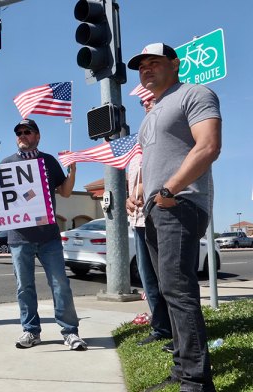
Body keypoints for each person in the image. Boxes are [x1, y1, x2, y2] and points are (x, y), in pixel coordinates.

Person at [127, 43, 221, 391]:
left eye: (154, 63)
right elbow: (155, 159)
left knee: (179, 291)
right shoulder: (152, 111)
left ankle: (196, 381)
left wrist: (168, 190)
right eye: (142, 66)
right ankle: (183, 370)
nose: (146, 70)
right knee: (168, 290)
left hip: (180, 204)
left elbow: (208, 146)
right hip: (155, 209)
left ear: (175, 64)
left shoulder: (195, 94)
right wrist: (141, 192)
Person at [0, 118, 86, 350]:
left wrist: (73, 169)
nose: (22, 135)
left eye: (27, 131)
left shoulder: (48, 161)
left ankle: (70, 332)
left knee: (60, 284)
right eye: (18, 132)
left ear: (37, 136)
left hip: (49, 236)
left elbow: (67, 192)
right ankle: (30, 331)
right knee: (24, 287)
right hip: (19, 238)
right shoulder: (6, 163)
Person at [126, 103, 173, 351]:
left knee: (168, 278)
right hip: (139, 221)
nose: (146, 103)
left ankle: (179, 332)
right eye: (143, 102)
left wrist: (148, 187)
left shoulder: (167, 133)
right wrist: (128, 197)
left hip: (162, 216)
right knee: (148, 279)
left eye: (150, 100)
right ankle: (161, 327)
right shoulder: (137, 143)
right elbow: (131, 181)